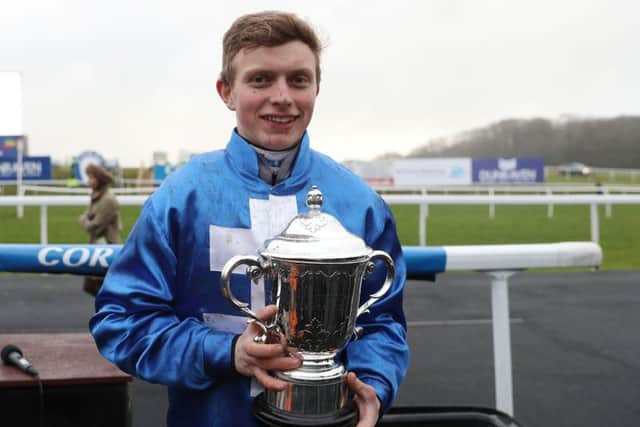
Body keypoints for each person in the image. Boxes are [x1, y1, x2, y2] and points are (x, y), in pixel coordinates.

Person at [90, 11, 408, 427]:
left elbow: (382, 322)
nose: (282, 96)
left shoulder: (360, 203)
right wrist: (226, 352)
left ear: (316, 87)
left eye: (298, 79)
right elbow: (121, 322)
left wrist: (373, 386)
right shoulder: (178, 198)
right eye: (261, 79)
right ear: (226, 91)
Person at [79, 163, 122, 296]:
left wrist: (86, 221)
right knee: (92, 287)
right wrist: (87, 220)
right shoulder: (98, 196)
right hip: (98, 249)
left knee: (101, 290)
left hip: (107, 250)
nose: (88, 181)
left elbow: (94, 227)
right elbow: (87, 218)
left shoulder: (108, 200)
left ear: (99, 179)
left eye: (91, 178)